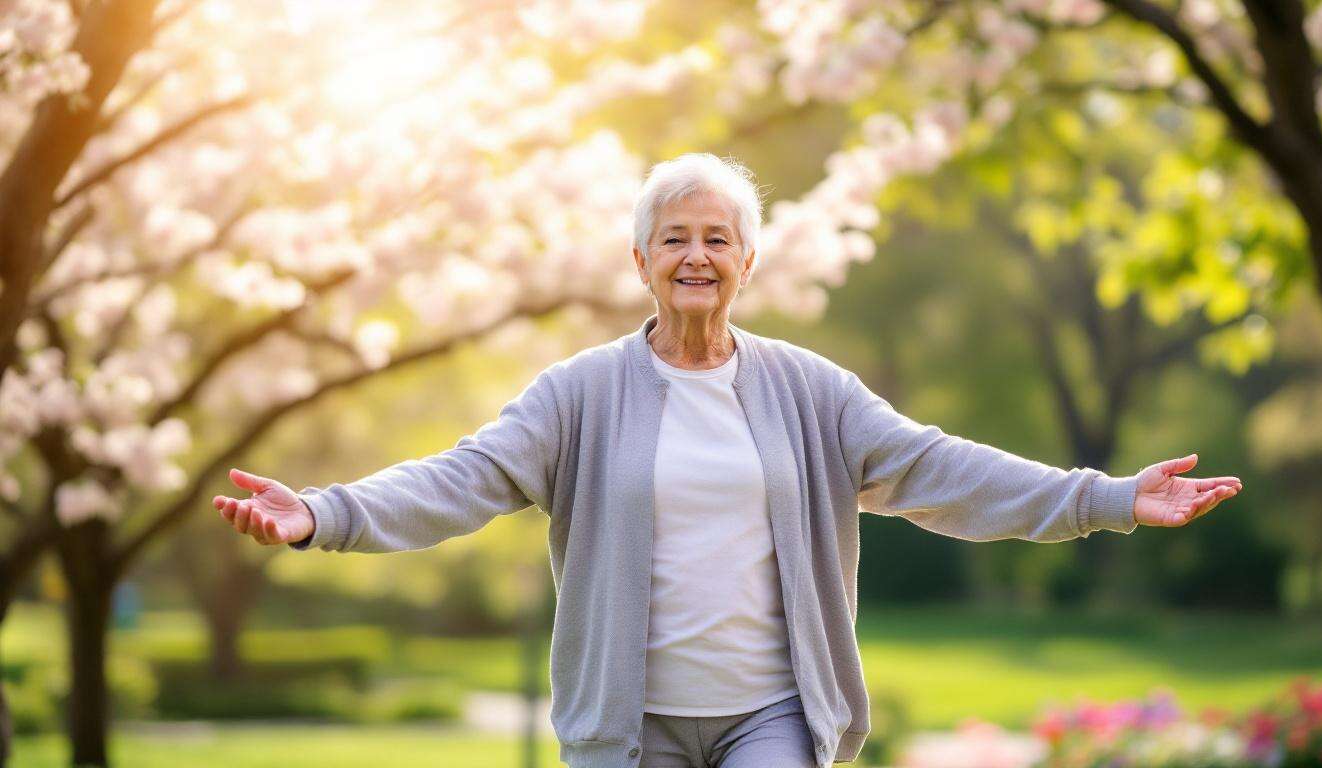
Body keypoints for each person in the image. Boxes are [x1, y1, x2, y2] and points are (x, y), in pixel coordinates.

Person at [213, 153, 1243, 768]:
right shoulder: (579, 394)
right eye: (674, 239)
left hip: (772, 715)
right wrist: (325, 513)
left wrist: (1107, 497)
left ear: (748, 262)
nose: (696, 256)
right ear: (641, 263)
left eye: (717, 237)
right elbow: (463, 476)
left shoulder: (812, 392)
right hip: (631, 720)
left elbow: (941, 469)